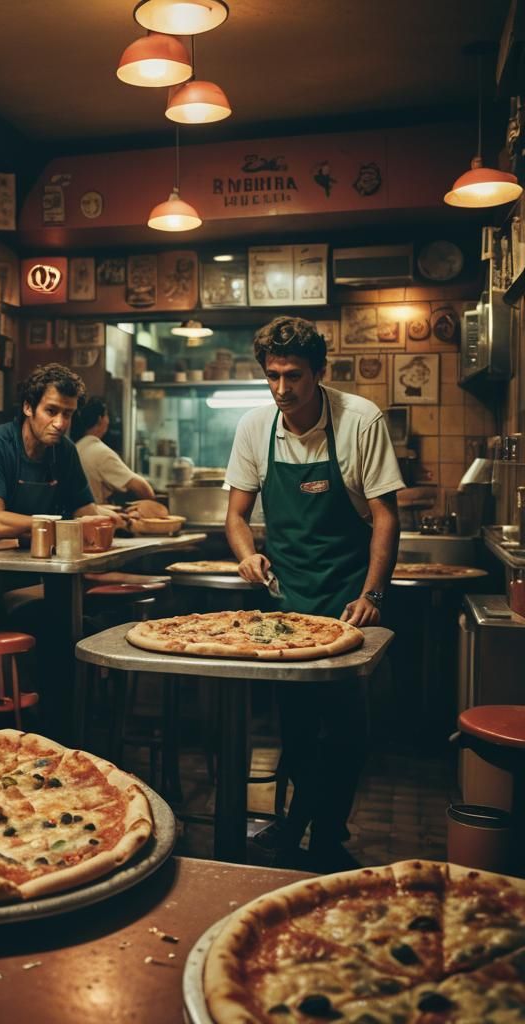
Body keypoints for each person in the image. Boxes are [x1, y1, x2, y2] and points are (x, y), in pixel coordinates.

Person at [224, 316, 404, 873]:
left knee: (347, 725)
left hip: (349, 599)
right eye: (272, 377)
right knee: (296, 723)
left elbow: (385, 517)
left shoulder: (359, 420)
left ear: (319, 372)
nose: (282, 389)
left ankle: (319, 828)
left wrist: (373, 592)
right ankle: (309, 827)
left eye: (294, 376)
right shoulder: (256, 427)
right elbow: (235, 515)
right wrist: (246, 553)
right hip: (287, 604)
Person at [0, 363, 111, 545]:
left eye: (67, 414)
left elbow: (85, 513)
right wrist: (65, 524)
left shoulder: (65, 451)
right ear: (28, 407)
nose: (60, 423)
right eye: (51, 411)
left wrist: (110, 521)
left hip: (34, 558)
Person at [73, 397, 156, 505]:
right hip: (98, 518)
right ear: (100, 419)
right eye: (107, 415)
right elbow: (141, 487)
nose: (108, 421)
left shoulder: (76, 448)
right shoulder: (101, 452)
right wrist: (153, 506)